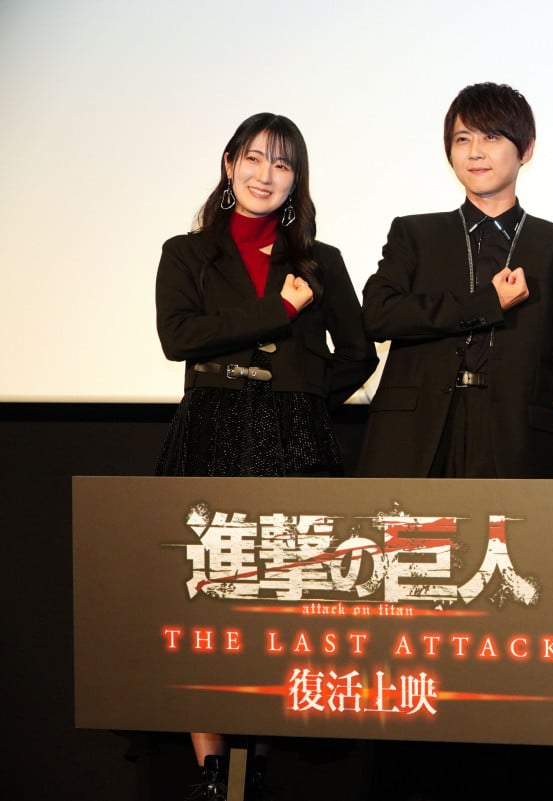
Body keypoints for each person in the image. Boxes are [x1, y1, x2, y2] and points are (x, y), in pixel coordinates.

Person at [154, 112, 378, 798]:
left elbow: (360, 354)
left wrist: (303, 397)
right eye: (253, 158)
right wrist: (277, 314)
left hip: (293, 440)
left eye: (282, 164)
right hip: (210, 432)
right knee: (202, 609)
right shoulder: (186, 253)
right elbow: (178, 336)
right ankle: (212, 772)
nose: (265, 175)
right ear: (229, 165)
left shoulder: (322, 261)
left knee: (282, 609)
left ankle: (255, 759)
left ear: (296, 179)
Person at [357, 82, 553, 479]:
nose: (474, 152)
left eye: (491, 137)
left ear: (526, 149)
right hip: (414, 433)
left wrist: (514, 394)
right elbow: (379, 315)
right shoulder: (415, 234)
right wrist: (486, 304)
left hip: (513, 437)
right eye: (462, 139)